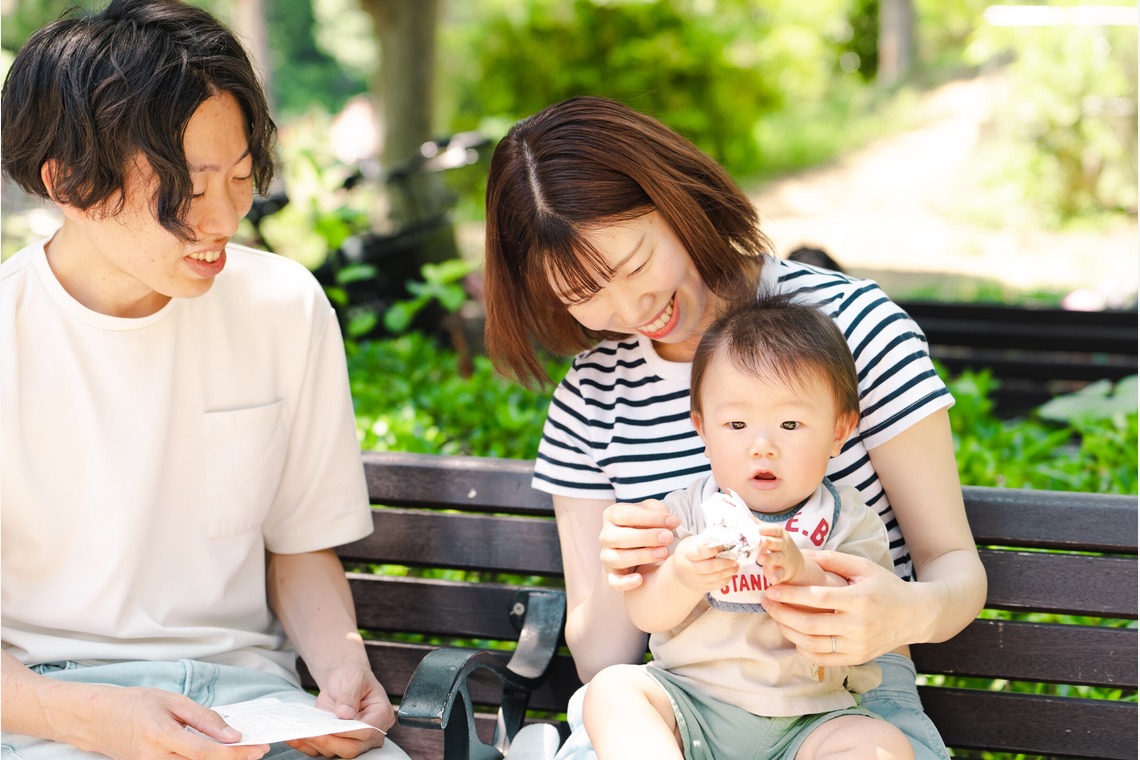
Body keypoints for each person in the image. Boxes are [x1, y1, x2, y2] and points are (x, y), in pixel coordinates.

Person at [482, 95, 986, 760]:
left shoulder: (854, 328)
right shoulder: (592, 397)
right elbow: (604, 657)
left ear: (676, 199)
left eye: (634, 265)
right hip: (684, 708)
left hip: (839, 707)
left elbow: (952, 563)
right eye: (585, 296)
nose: (633, 310)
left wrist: (905, 613)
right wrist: (626, 572)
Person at [0, 1, 409, 758]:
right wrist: (94, 718)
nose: (224, 219)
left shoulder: (282, 306)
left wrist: (342, 670)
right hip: (48, 713)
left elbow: (300, 545)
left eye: (243, 177)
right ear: (68, 182)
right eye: (188, 187)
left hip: (250, 707)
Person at [582, 297, 912, 760]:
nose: (762, 447)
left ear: (839, 431)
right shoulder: (685, 513)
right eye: (736, 423)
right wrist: (682, 574)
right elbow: (647, 615)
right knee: (613, 690)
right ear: (702, 427)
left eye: (790, 423)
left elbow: (861, 621)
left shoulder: (849, 521)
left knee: (881, 746)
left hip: (809, 719)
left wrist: (802, 572)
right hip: (689, 705)